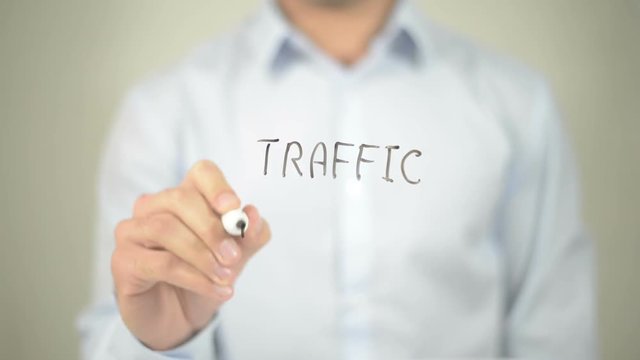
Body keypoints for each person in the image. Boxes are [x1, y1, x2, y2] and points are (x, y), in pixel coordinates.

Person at [77, 0, 597, 358]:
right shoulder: (162, 112)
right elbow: (114, 333)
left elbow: (555, 340)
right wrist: (163, 346)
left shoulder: (520, 107)